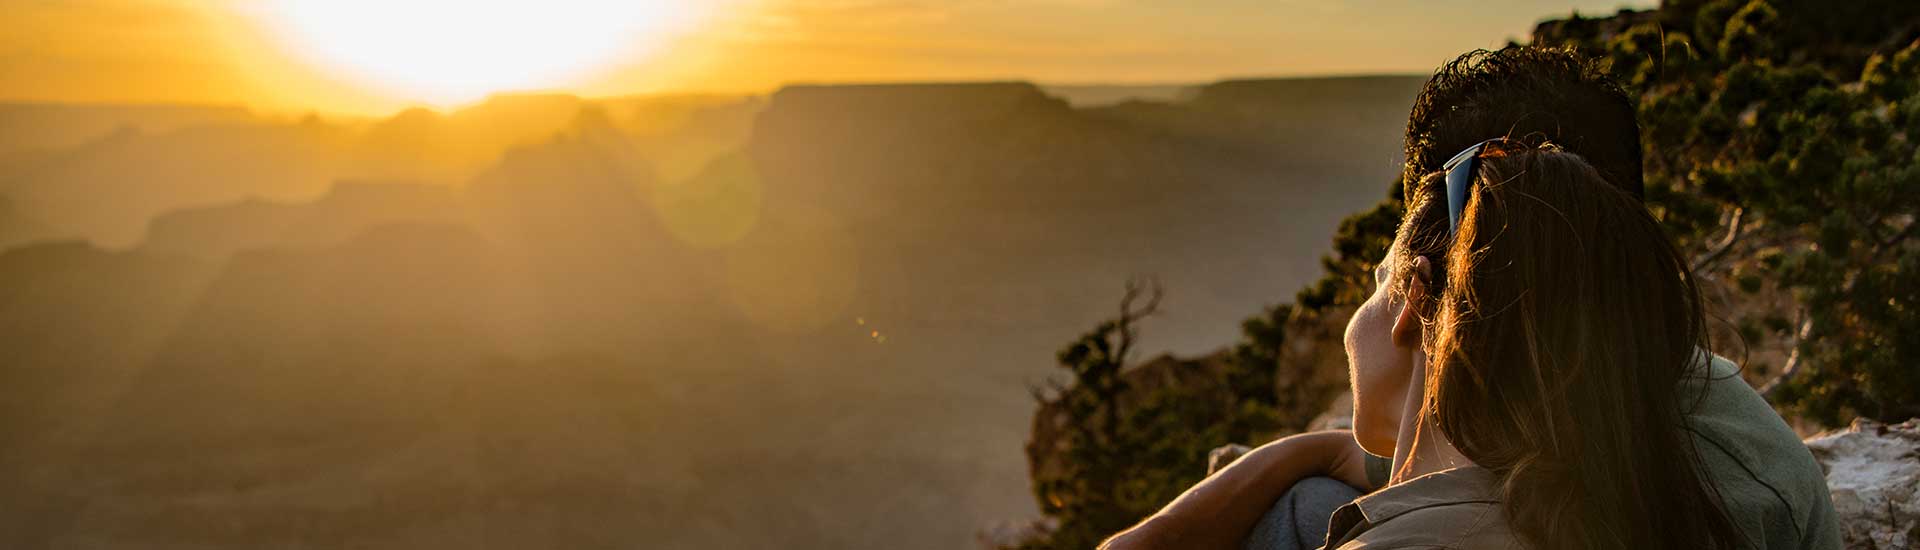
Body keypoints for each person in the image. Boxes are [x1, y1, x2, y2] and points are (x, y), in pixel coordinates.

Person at [1099, 46, 1839, 550]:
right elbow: (1356, 458)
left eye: (1381, 277)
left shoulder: (1455, 517)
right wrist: (1303, 449)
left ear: (1428, 288)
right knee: (1306, 504)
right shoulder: (1642, 401)